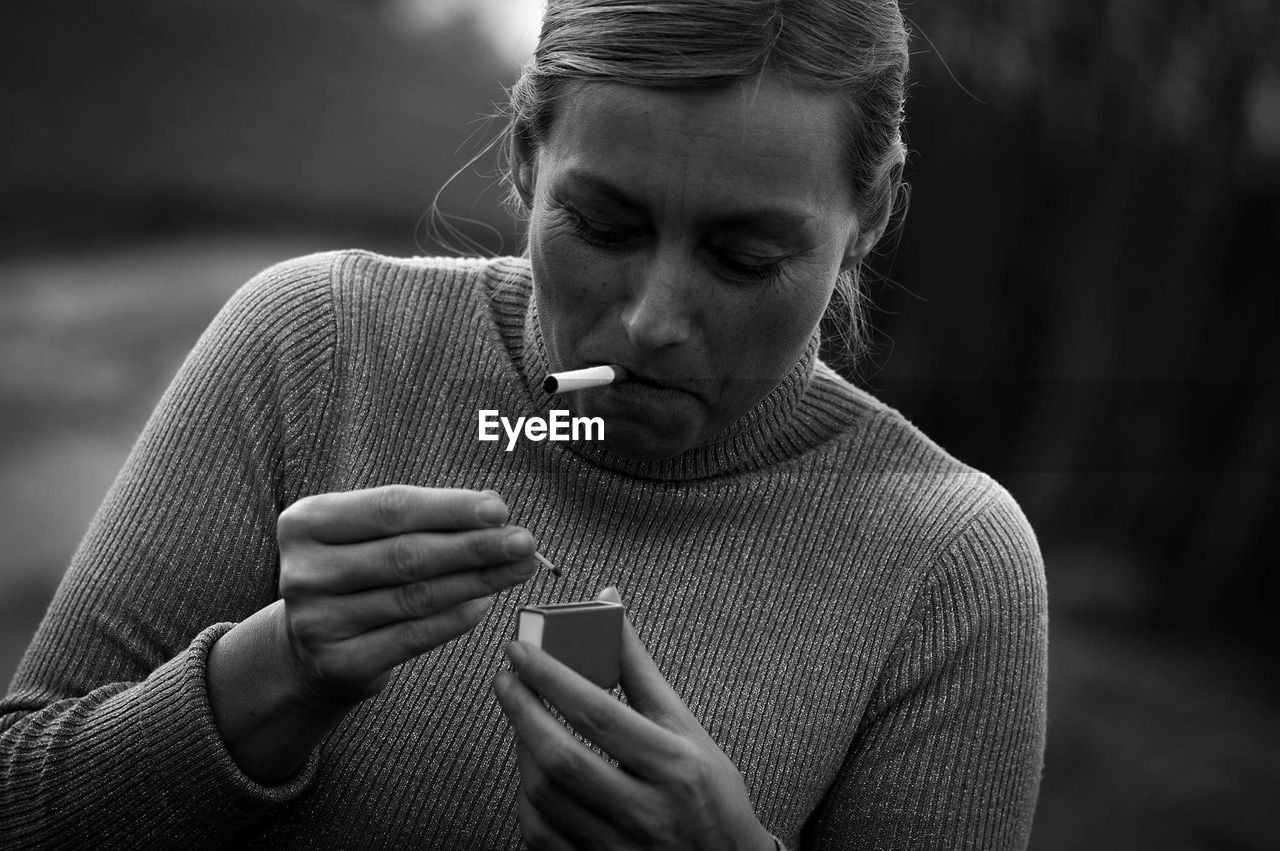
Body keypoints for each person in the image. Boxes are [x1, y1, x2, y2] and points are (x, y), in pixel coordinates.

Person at [0, 1, 1047, 848]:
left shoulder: (945, 564)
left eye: (742, 256)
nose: (650, 320)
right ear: (524, 155)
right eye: (602, 226)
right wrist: (266, 677)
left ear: (867, 211)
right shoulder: (320, 345)